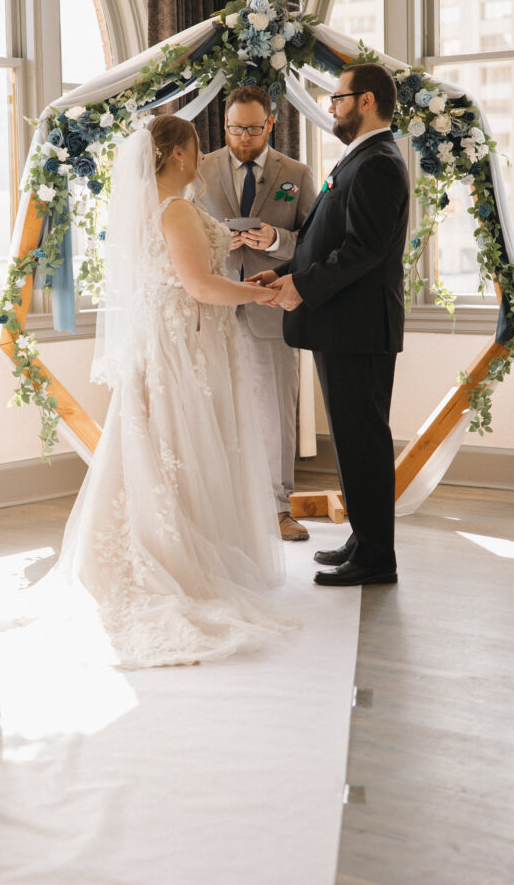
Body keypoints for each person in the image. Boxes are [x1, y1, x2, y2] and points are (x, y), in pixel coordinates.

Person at [54, 115, 293, 667]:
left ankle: (166, 542)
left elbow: (188, 278)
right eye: (197, 146)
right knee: (181, 448)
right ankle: (179, 555)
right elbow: (200, 286)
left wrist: (245, 286)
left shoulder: (147, 208)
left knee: (162, 447)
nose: (202, 154)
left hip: (171, 338)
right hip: (184, 346)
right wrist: (261, 296)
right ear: (180, 156)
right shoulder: (176, 208)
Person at [250, 63, 410, 587]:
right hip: (341, 324)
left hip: (357, 328)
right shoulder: (360, 158)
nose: (332, 105)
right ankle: (364, 538)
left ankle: (376, 558)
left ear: (365, 101)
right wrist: (286, 271)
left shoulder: (379, 162)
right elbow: (329, 239)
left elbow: (363, 251)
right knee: (350, 438)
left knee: (363, 438)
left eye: (338, 97)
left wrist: (302, 286)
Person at [200, 86, 317, 541]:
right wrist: (215, 243)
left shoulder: (298, 173)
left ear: (270, 123)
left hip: (271, 307)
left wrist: (274, 241)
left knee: (275, 412)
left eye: (251, 128)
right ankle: (222, 509)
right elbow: (178, 226)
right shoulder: (201, 168)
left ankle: (277, 509)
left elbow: (313, 241)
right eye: (234, 128)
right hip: (214, 307)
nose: (242, 137)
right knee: (212, 408)